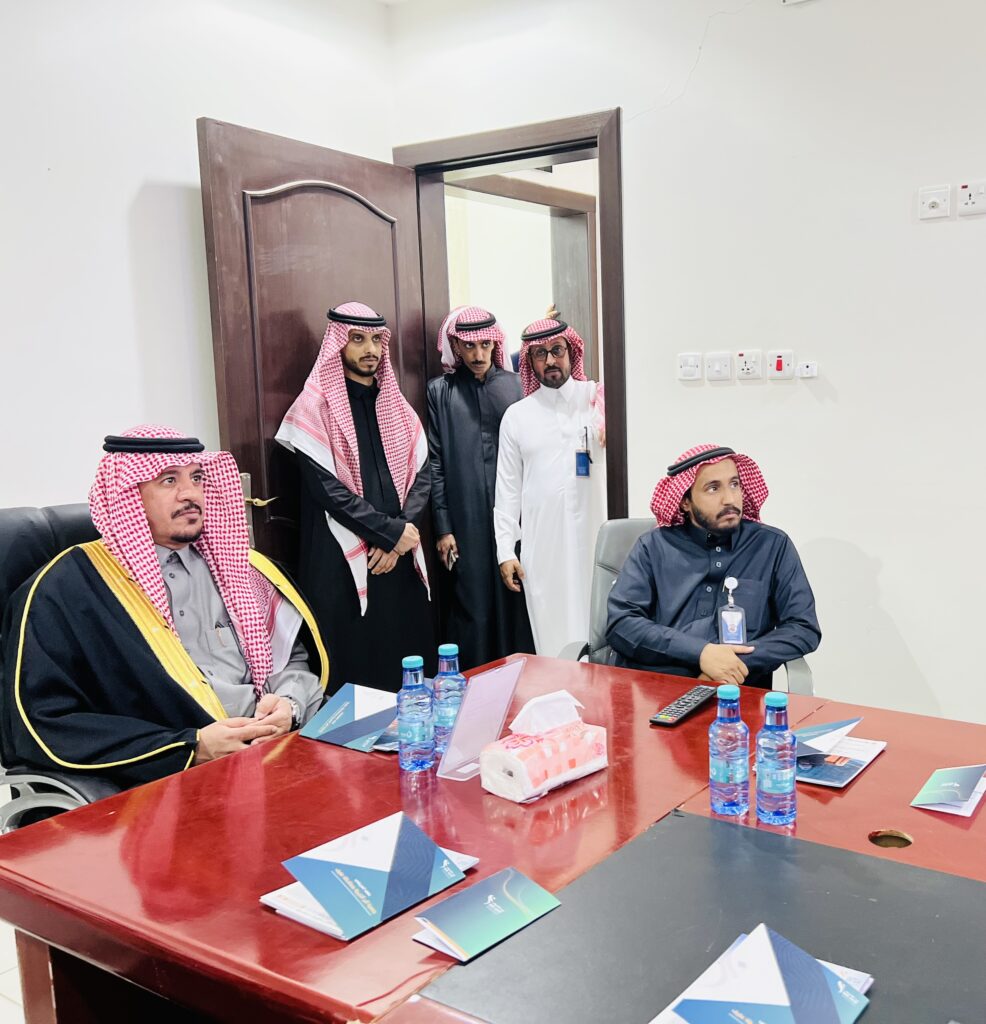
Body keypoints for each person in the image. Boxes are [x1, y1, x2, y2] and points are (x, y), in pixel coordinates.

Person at [0, 426, 328, 790]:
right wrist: (191, 746)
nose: (190, 494)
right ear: (127, 494)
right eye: (169, 480)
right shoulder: (65, 590)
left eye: (197, 478)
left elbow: (291, 657)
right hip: (173, 780)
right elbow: (47, 721)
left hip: (281, 747)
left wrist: (289, 704)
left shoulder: (243, 568)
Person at [276, 301, 433, 689]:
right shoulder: (313, 408)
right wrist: (391, 533)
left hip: (396, 559)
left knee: (405, 664)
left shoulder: (396, 405)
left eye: (377, 340)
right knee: (356, 671)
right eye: (358, 339)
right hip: (340, 558)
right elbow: (328, 491)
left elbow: (422, 476)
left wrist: (400, 533)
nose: (370, 349)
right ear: (337, 344)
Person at [606, 444, 821, 687]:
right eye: (713, 488)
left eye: (734, 484)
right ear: (685, 502)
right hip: (656, 688)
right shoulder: (653, 547)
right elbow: (621, 623)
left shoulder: (772, 546)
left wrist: (731, 665)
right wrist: (701, 653)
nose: (730, 499)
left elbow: (803, 628)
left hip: (736, 692)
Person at [426, 306, 534, 670]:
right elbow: (435, 463)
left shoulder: (516, 386)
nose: (478, 354)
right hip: (465, 517)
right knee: (472, 603)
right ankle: (474, 684)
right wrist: (443, 527)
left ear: (495, 344)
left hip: (515, 515)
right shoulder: (440, 392)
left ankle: (521, 679)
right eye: (469, 346)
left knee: (516, 599)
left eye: (485, 345)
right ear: (456, 346)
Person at [494, 317, 606, 657]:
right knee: (554, 645)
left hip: (596, 540)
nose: (550, 360)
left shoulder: (597, 398)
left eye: (557, 350)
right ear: (529, 361)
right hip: (544, 548)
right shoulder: (517, 416)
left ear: (571, 351)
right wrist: (505, 550)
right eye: (540, 354)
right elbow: (507, 489)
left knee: (601, 632)